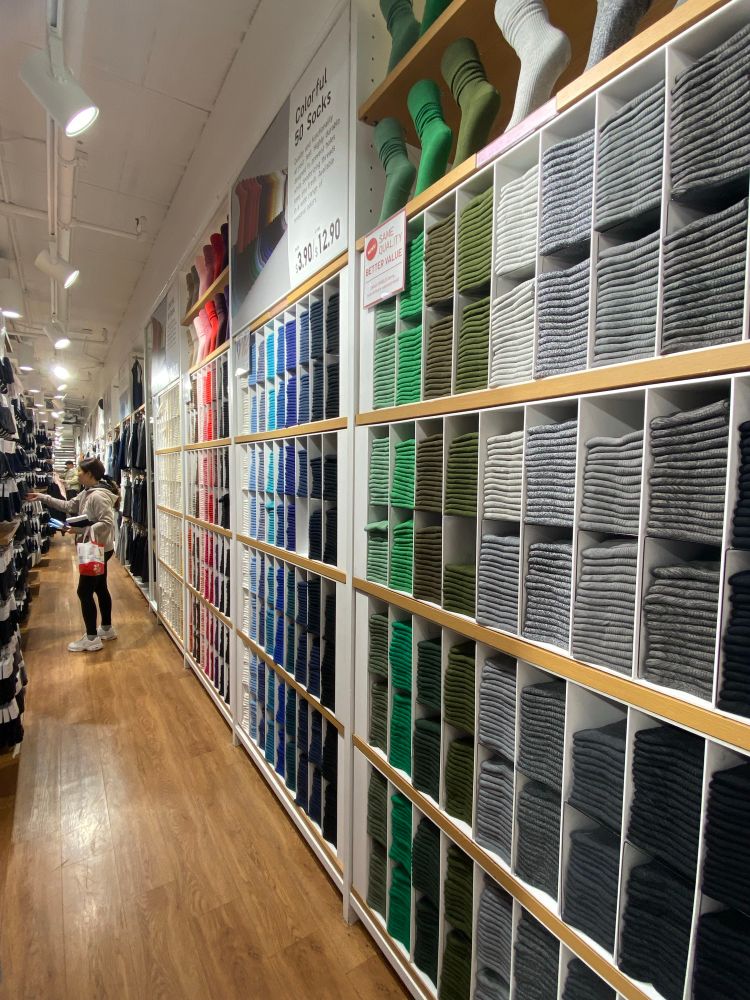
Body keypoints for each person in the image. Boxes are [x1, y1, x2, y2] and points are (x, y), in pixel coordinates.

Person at [28, 457, 120, 652]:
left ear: (89, 474)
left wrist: (78, 530)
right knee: (100, 587)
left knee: (84, 591)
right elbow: (69, 506)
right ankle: (106, 628)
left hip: (97, 549)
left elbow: (107, 523)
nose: (77, 474)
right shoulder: (88, 491)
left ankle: (92, 638)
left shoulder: (97, 496)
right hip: (99, 548)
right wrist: (42, 497)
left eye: (79, 471)